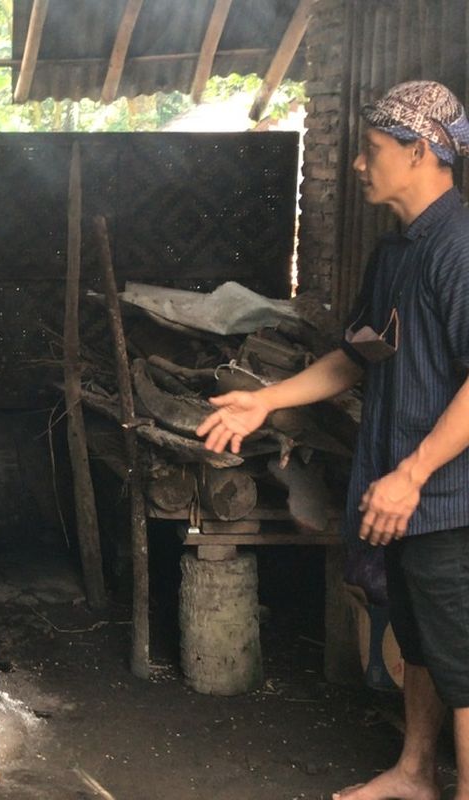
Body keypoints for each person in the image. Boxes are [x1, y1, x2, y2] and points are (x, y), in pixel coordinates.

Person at [197, 79, 469, 800]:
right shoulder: (396, 253)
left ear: (420, 152)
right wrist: (263, 401)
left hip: (447, 499)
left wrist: (412, 474)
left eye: (373, 149)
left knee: (463, 660)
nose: (357, 163)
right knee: (418, 647)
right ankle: (415, 773)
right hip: (399, 488)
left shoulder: (460, 250)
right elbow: (356, 354)